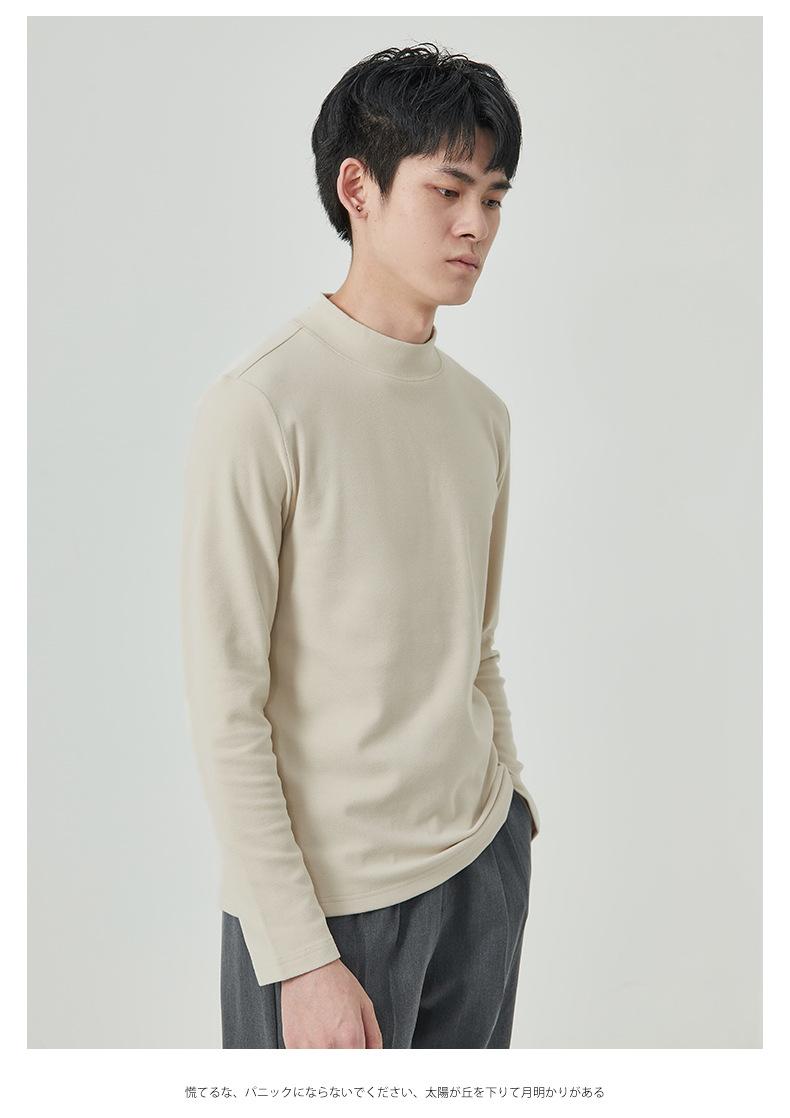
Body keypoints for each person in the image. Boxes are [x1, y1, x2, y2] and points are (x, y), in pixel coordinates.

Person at [180, 42, 541, 1050]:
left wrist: (512, 811)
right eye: (448, 190)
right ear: (358, 189)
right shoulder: (261, 405)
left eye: (495, 198)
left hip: (479, 868)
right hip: (329, 912)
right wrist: (299, 955)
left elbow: (473, 643)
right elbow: (226, 703)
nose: (476, 225)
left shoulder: (481, 415)